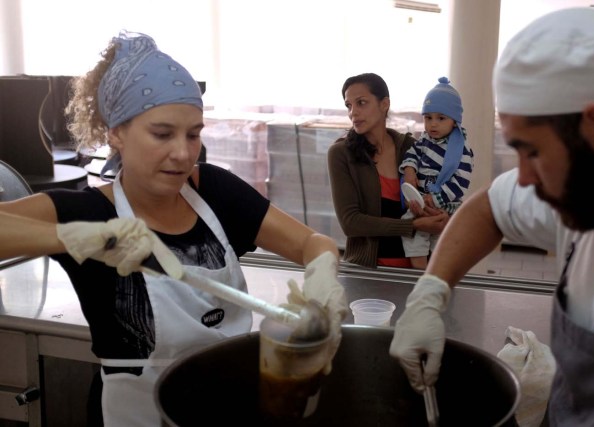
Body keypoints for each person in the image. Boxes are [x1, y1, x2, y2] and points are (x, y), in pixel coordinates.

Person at [0, 31, 347, 426]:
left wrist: (321, 280)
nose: (182, 153)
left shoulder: (214, 191)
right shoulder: (86, 212)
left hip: (230, 406)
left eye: (193, 134)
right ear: (116, 133)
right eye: (162, 134)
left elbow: (313, 242)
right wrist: (72, 236)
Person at [389, 7, 594, 426]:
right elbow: (490, 207)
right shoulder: (592, 188)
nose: (522, 176)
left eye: (533, 152)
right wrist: (428, 295)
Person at [327, 72, 450, 269]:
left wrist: (441, 214)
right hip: (368, 271)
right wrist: (412, 226)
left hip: (419, 268)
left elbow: (433, 195)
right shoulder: (341, 154)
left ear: (384, 104)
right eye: (349, 106)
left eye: (361, 103)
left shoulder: (411, 148)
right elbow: (350, 223)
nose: (353, 112)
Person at [399, 77, 474, 269]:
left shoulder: (462, 150)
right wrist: (409, 170)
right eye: (428, 117)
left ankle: (435, 275)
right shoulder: (424, 141)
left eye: (441, 118)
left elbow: (460, 183)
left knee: (442, 246)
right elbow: (412, 154)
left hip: (444, 208)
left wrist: (435, 200)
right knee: (414, 236)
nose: (433, 124)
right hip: (420, 204)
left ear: (454, 121)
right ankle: (420, 274)